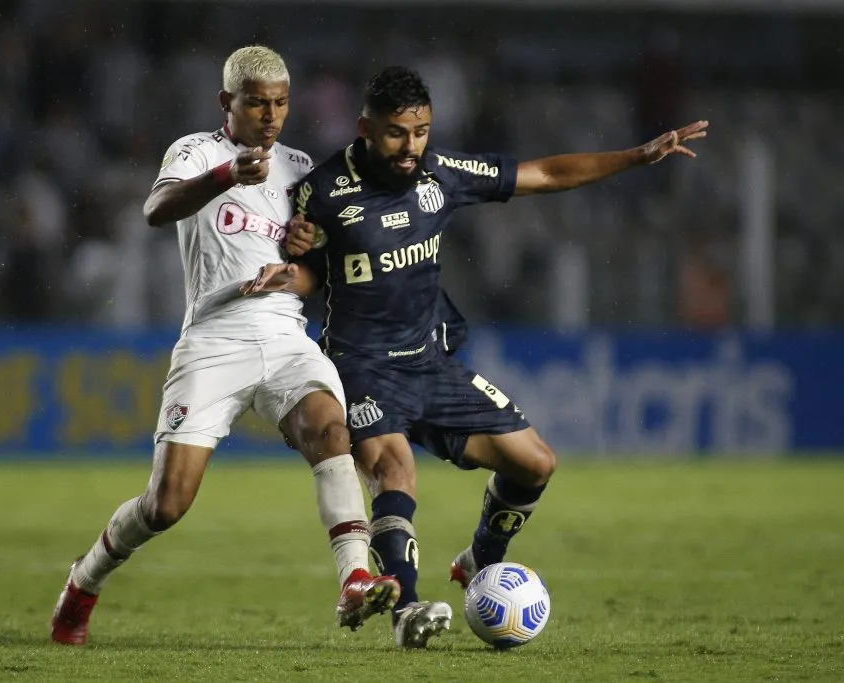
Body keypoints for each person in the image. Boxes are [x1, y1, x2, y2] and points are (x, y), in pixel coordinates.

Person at [243, 66, 707, 648]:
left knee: (535, 463)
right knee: (395, 472)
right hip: (363, 367)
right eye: (395, 134)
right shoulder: (325, 190)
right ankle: (406, 611)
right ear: (365, 128)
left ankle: (479, 559)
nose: (410, 147)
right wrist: (292, 267)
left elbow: (544, 173)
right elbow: (309, 268)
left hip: (431, 364)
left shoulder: (441, 172)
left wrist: (636, 157)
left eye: (420, 132)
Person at [50, 46, 400, 645]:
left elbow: (315, 270)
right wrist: (224, 177)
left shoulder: (299, 166)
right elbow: (156, 209)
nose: (271, 114)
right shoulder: (196, 153)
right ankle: (83, 581)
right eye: (258, 102)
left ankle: (354, 581)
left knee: (329, 430)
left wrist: (301, 257)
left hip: (285, 332)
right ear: (227, 103)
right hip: (214, 339)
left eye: (282, 102)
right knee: (166, 505)